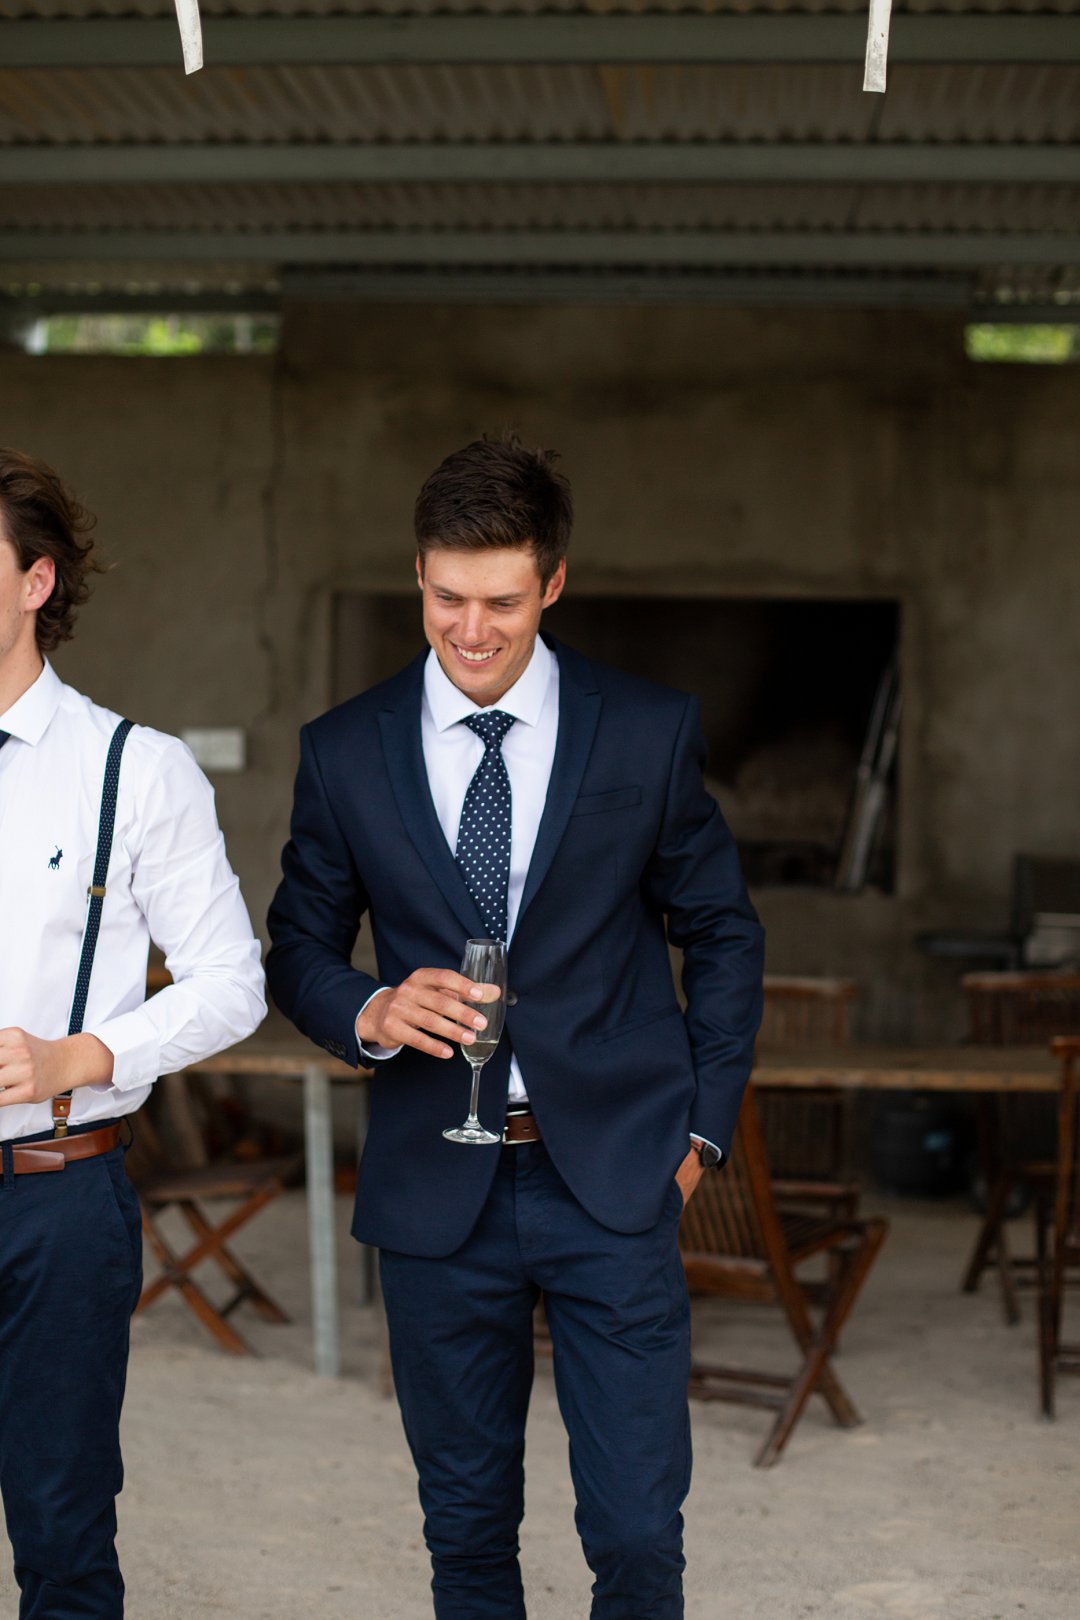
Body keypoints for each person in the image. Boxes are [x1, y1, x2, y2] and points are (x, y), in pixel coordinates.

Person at [266, 432, 764, 1619]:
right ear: (418, 578)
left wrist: (698, 1138)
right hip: (437, 1192)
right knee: (469, 1536)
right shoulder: (343, 752)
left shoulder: (644, 730)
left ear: (553, 581)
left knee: (641, 1538)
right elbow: (295, 945)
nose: (471, 630)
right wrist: (372, 1009)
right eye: (446, 598)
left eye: (501, 600)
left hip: (617, 1181)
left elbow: (726, 935)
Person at [0, 448, 266, 1618]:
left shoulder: (137, 771)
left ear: (35, 582)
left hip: (58, 1199)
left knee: (60, 1533)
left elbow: (231, 981)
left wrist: (83, 1057)